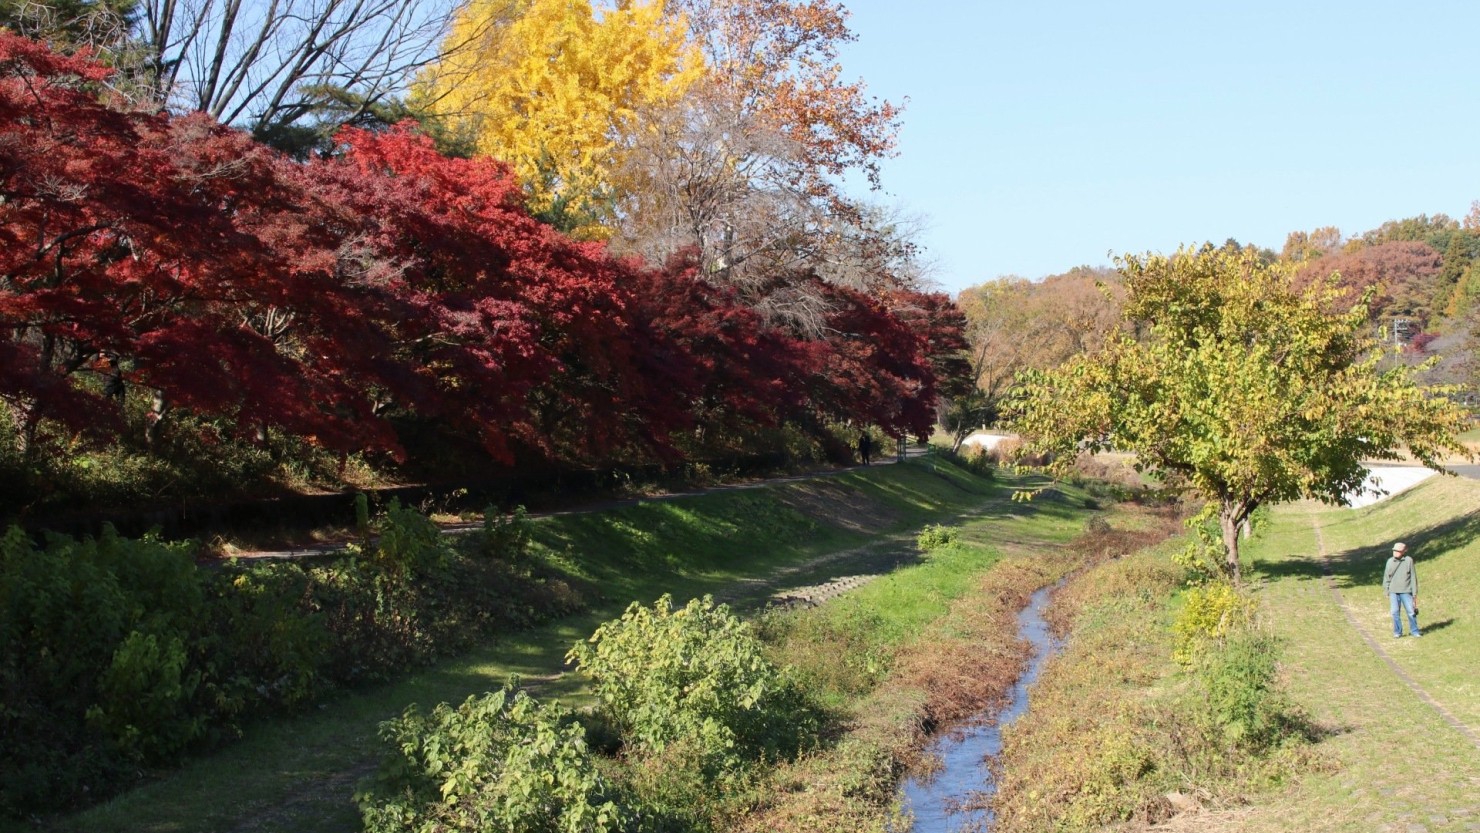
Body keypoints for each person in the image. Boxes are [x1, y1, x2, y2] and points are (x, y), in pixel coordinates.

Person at [1382, 541, 1421, 638]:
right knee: (1395, 612)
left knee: (1411, 612)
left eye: (1398, 551)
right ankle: (1397, 632)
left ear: (1403, 551)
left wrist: (1414, 593)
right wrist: (1386, 590)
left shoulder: (1409, 561)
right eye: (1394, 550)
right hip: (1393, 592)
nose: (1395, 552)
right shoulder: (1390, 561)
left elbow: (1413, 577)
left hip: (1406, 591)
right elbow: (1386, 577)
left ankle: (1415, 631)